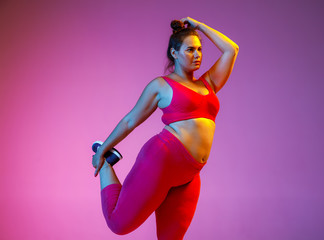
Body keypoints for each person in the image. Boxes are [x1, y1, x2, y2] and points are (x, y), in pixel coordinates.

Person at [92, 16, 239, 239]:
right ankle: (107, 165)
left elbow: (231, 49)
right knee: (118, 224)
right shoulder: (161, 85)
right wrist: (103, 150)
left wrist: (199, 27)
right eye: (190, 50)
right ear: (174, 53)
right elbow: (130, 120)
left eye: (199, 50)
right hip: (162, 160)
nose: (197, 55)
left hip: (190, 174)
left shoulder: (209, 83)